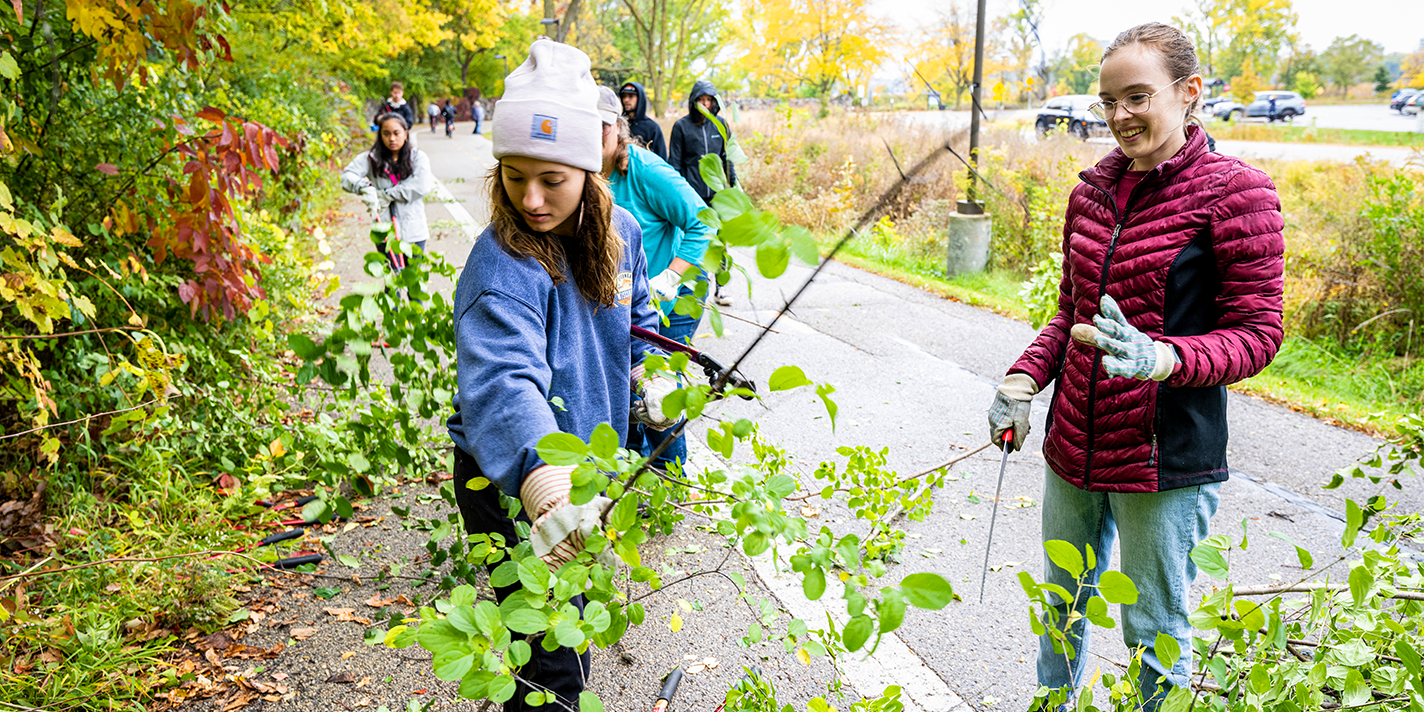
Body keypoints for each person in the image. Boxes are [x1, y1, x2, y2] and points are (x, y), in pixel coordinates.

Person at [985, 22, 1283, 712]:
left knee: (1152, 632)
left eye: (1137, 97)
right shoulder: (1090, 193)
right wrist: (1022, 380)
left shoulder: (1236, 193)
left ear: (1189, 93)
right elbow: (1070, 313)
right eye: (1107, 101)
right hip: (1074, 447)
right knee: (1060, 607)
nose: (1120, 116)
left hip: (1165, 456)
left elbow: (1258, 333)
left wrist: (1165, 357)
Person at [446, 39, 675, 712]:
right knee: (554, 668)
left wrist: (651, 381)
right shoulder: (501, 265)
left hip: (583, 467)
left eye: (552, 179)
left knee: (565, 627)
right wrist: (542, 477)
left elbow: (639, 325)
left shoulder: (623, 233)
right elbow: (503, 381)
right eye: (515, 177)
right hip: (511, 474)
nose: (533, 198)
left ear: (587, 168)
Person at [597, 85, 712, 471]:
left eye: (602, 128)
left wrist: (670, 276)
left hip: (673, 295)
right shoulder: (588, 173)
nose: (594, 137)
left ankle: (668, 475)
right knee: (626, 389)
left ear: (618, 128)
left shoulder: (646, 171)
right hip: (629, 298)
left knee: (661, 391)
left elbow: (703, 221)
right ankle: (637, 473)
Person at [668, 80, 736, 306]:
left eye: (709, 100)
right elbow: (675, 163)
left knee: (719, 240)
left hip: (717, 195)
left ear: (715, 102)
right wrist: (678, 193)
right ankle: (695, 287)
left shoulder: (721, 125)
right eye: (701, 100)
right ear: (693, 101)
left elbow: (727, 159)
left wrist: (733, 187)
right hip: (692, 194)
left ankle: (721, 288)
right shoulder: (681, 127)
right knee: (693, 239)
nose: (705, 104)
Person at [340, 113, 434, 276]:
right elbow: (347, 176)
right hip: (384, 231)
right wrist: (365, 188)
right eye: (386, 133)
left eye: (396, 133)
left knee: (415, 284)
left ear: (405, 133)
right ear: (380, 135)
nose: (392, 138)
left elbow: (422, 185)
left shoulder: (418, 158)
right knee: (391, 284)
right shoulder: (371, 159)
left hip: (414, 230)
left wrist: (387, 195)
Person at [618, 82, 667, 159]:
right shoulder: (618, 125)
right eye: (624, 96)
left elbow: (661, 158)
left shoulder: (652, 128)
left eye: (631, 96)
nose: (626, 100)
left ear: (640, 99)